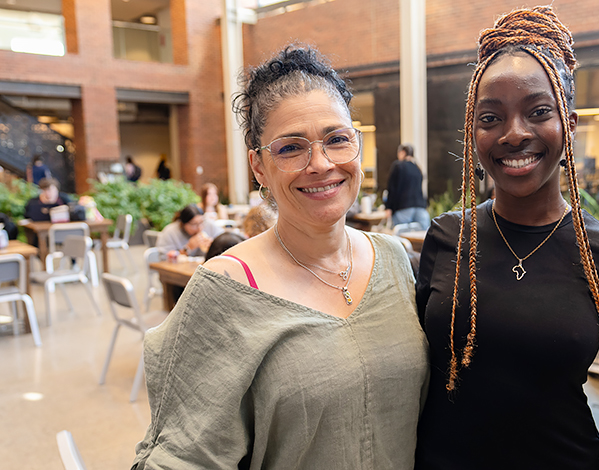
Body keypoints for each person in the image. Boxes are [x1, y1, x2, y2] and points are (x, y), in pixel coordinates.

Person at [132, 45, 429, 469]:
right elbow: (180, 457)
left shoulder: (395, 259)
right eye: (291, 148)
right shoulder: (227, 289)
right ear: (258, 167)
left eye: (337, 139)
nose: (321, 164)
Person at [415, 7, 599, 469]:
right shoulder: (446, 237)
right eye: (491, 118)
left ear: (569, 124)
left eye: (538, 112)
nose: (514, 134)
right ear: (473, 131)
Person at [385, 143, 430, 231]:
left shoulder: (398, 166)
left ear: (402, 153)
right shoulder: (418, 168)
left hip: (404, 208)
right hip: (420, 208)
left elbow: (392, 188)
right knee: (420, 237)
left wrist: (388, 207)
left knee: (400, 238)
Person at [155, 204, 223, 258]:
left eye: (201, 222)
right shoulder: (170, 232)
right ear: (183, 224)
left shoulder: (209, 225)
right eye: (194, 224)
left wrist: (214, 246)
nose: (200, 228)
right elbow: (164, 259)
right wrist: (187, 248)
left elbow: (226, 242)